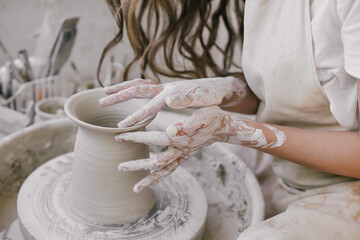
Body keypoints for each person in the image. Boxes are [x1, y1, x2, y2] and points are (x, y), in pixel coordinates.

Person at [98, 0, 360, 239]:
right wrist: (223, 89)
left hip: (346, 185)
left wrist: (232, 129)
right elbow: (287, 88)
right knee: (179, 135)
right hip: (285, 165)